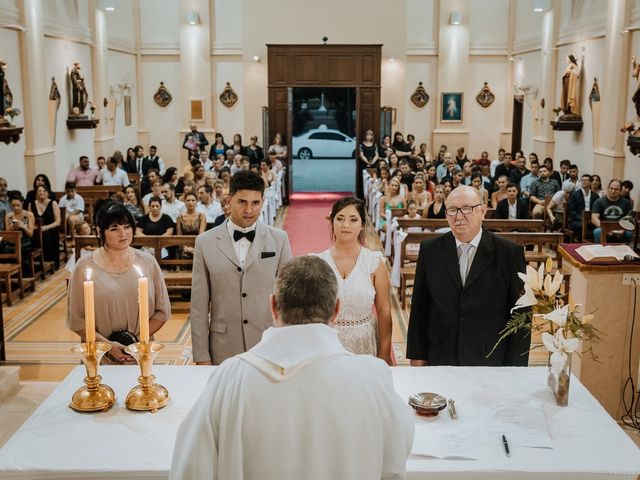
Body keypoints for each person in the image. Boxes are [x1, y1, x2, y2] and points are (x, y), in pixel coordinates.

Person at [171, 256, 413, 480]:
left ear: (273, 305)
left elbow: (190, 468)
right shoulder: (372, 379)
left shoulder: (228, 379)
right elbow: (399, 449)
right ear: (336, 310)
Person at [406, 185, 529, 366]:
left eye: (467, 209)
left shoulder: (509, 253)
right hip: (441, 354)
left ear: (483, 211)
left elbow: (520, 315)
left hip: (489, 358)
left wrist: (516, 367)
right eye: (452, 210)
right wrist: (417, 355)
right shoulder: (430, 250)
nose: (459, 216)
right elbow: (420, 306)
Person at [190, 171, 293, 365]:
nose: (249, 210)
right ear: (229, 201)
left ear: (263, 201)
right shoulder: (205, 243)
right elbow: (199, 306)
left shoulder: (279, 239)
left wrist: (287, 348)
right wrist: (201, 356)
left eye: (255, 203)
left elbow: (288, 300)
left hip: (268, 345)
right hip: (223, 346)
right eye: (242, 202)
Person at [67, 201, 170, 363]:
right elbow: (77, 320)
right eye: (114, 228)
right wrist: (107, 345)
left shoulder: (147, 262)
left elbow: (162, 312)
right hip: (99, 354)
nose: (123, 233)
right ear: (100, 231)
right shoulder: (84, 267)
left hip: (140, 351)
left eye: (127, 226)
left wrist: (134, 342)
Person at [315, 197, 392, 364]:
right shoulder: (318, 262)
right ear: (332, 222)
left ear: (363, 224)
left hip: (364, 341)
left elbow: (384, 311)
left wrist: (385, 353)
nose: (346, 225)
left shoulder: (374, 262)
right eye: (340, 219)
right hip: (328, 344)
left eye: (353, 219)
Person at [30, 184, 61, 270]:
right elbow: (29, 219)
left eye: (44, 191)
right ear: (36, 193)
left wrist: (46, 227)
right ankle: (36, 265)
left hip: (51, 228)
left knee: (47, 234)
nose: (42, 193)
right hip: (36, 229)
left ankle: (50, 263)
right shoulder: (31, 204)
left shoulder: (53, 203)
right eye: (39, 191)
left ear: (48, 193)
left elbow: (58, 222)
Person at [592, 179, 633, 244]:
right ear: (608, 189)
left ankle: (626, 253)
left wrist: (622, 230)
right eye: (611, 188)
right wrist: (607, 229)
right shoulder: (599, 202)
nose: (613, 191)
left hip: (620, 228)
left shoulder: (626, 203)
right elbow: (594, 219)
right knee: (597, 232)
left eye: (616, 189)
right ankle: (600, 252)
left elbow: (629, 219)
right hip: (604, 228)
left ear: (620, 190)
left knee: (629, 234)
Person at [4, 193, 35, 276]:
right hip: (12, 241)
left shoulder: (29, 215)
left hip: (26, 240)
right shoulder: (8, 216)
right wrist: (12, 227)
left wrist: (23, 226)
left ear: (22, 203)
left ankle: (24, 275)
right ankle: (10, 274)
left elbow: (31, 234)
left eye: (18, 205)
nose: (16, 208)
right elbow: (7, 233)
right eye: (13, 206)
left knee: (19, 249)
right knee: (6, 248)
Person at [567, 174, 597, 240]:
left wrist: (593, 218)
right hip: (578, 220)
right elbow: (572, 211)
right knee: (582, 226)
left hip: (591, 219)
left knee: (598, 226)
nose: (583, 182)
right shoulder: (575, 195)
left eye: (586, 180)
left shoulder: (595, 196)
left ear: (591, 182)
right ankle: (581, 243)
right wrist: (581, 218)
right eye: (582, 180)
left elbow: (597, 210)